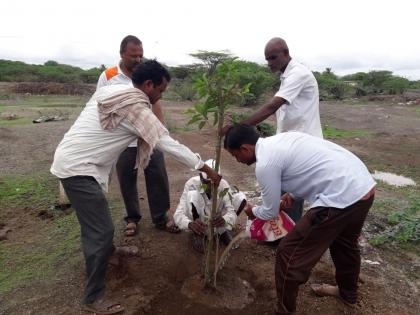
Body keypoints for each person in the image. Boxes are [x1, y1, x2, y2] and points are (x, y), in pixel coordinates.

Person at [51, 60, 220, 315]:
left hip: (79, 163)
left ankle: (108, 252)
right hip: (78, 169)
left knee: (96, 223)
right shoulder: (136, 107)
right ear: (149, 85)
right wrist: (203, 167)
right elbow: (166, 142)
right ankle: (92, 298)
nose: (160, 97)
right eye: (161, 91)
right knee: (100, 229)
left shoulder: (112, 92)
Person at [224, 124, 376, 315]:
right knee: (345, 244)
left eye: (234, 155)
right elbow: (308, 168)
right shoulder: (282, 140)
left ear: (245, 148)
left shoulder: (265, 164)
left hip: (339, 197)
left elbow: (269, 212)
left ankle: (285, 311)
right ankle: (348, 294)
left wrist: (253, 211)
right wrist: (293, 194)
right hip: (363, 187)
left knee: (288, 253)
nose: (237, 160)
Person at [222, 37, 322, 223]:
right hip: (290, 142)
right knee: (285, 190)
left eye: (273, 58)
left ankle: (288, 236)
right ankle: (281, 234)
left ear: (286, 53)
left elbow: (271, 107)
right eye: (267, 59)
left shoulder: (298, 74)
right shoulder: (286, 76)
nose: (269, 63)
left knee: (292, 191)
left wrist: (238, 128)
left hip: (302, 145)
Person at [97, 35, 177, 236]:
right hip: (123, 139)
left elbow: (155, 102)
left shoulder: (145, 73)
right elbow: (101, 105)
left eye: (141, 55)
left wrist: (161, 132)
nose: (138, 59)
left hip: (148, 135)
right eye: (133, 55)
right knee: (126, 178)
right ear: (122, 54)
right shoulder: (109, 76)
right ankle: (132, 219)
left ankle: (161, 217)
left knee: (157, 175)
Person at [173, 159, 245, 253]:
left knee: (240, 197)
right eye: (206, 183)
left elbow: (231, 211)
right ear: (200, 177)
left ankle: (222, 231)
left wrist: (225, 219)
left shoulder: (223, 185)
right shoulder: (191, 184)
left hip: (216, 222)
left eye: (214, 184)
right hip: (201, 222)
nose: (210, 188)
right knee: (192, 195)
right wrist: (189, 224)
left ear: (219, 179)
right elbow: (178, 214)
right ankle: (198, 233)